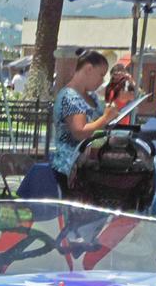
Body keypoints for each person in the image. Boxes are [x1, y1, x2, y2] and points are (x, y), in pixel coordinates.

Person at [50, 50, 118, 193]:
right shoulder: (69, 97)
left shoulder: (92, 97)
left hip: (92, 167)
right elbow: (79, 132)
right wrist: (105, 118)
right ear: (88, 69)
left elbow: (99, 124)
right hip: (71, 169)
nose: (102, 81)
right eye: (101, 75)